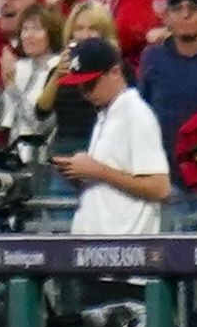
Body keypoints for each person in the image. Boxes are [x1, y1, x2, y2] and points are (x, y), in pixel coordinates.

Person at [54, 37, 167, 236]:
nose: (85, 92)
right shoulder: (106, 113)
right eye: (80, 86)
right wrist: (79, 173)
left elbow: (159, 188)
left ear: (115, 72)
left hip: (126, 248)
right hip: (97, 242)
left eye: (90, 84)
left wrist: (99, 171)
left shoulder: (136, 114)